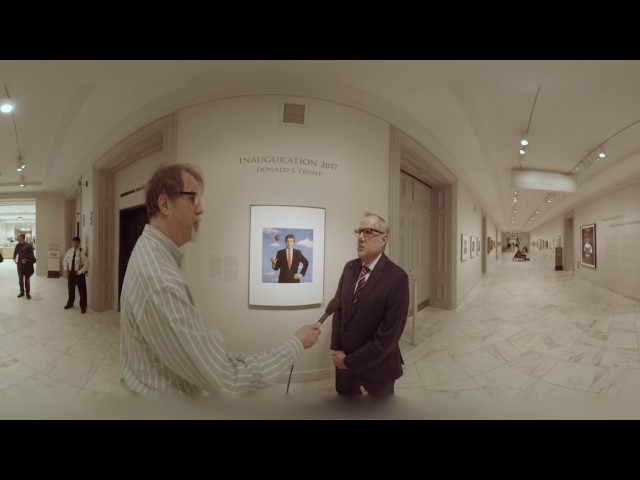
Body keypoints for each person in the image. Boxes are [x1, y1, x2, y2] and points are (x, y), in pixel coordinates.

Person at [120, 163, 322, 394]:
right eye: (192, 198)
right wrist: (295, 345)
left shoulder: (152, 254)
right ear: (165, 204)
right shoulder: (159, 279)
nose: (200, 209)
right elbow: (226, 379)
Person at [330, 212, 409, 397]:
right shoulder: (349, 268)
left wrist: (350, 361)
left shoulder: (397, 278)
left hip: (378, 368)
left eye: (367, 232)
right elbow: (338, 311)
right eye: (359, 232)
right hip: (344, 364)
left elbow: (388, 336)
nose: (360, 238)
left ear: (383, 239)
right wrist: (338, 351)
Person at [63, 236, 89, 313]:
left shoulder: (82, 252)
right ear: (72, 242)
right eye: (74, 242)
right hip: (71, 274)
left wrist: (80, 272)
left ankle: (83, 306)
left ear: (79, 243)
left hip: (79, 274)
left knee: (82, 291)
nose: (75, 244)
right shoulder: (69, 251)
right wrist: (65, 268)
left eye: (77, 242)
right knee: (71, 290)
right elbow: (65, 260)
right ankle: (70, 303)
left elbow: (86, 264)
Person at [12, 233, 36, 299]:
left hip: (27, 265)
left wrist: (26, 259)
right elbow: (15, 253)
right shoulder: (17, 245)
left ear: (22, 237)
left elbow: (32, 256)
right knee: (20, 280)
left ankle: (28, 294)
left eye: (18, 236)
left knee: (27, 280)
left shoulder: (29, 246)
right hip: (19, 265)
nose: (17, 237)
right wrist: (14, 258)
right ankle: (22, 292)